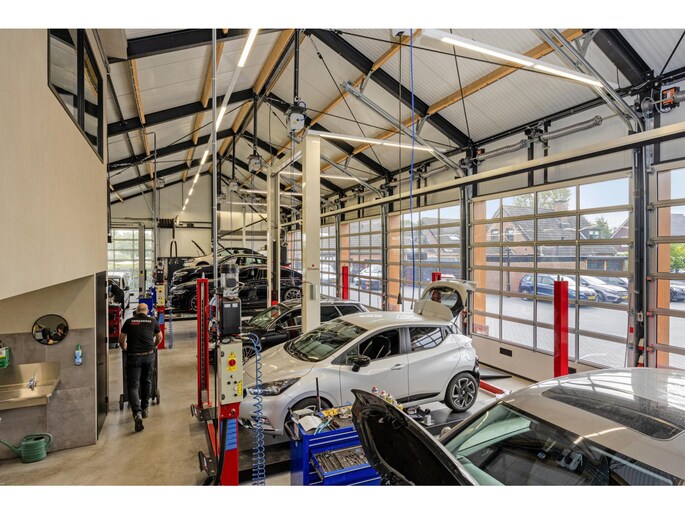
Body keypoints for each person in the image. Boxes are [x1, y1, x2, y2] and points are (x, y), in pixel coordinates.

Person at [119, 303, 162, 433]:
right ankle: (145, 409)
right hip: (149, 355)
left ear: (137, 311)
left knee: (133, 385)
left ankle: (137, 413)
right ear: (147, 311)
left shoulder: (129, 321)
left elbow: (121, 339)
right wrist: (153, 346)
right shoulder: (152, 321)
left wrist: (125, 348)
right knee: (147, 381)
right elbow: (159, 337)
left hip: (133, 356)